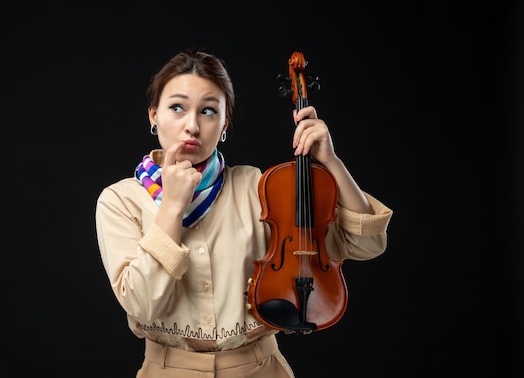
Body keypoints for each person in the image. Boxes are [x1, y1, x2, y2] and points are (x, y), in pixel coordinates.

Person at [95, 49, 393, 378]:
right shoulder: (120, 200)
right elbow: (141, 303)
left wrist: (331, 163)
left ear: (224, 123)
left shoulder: (259, 187)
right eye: (177, 107)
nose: (192, 126)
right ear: (153, 114)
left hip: (260, 368)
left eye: (208, 111)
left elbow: (366, 245)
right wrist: (172, 206)